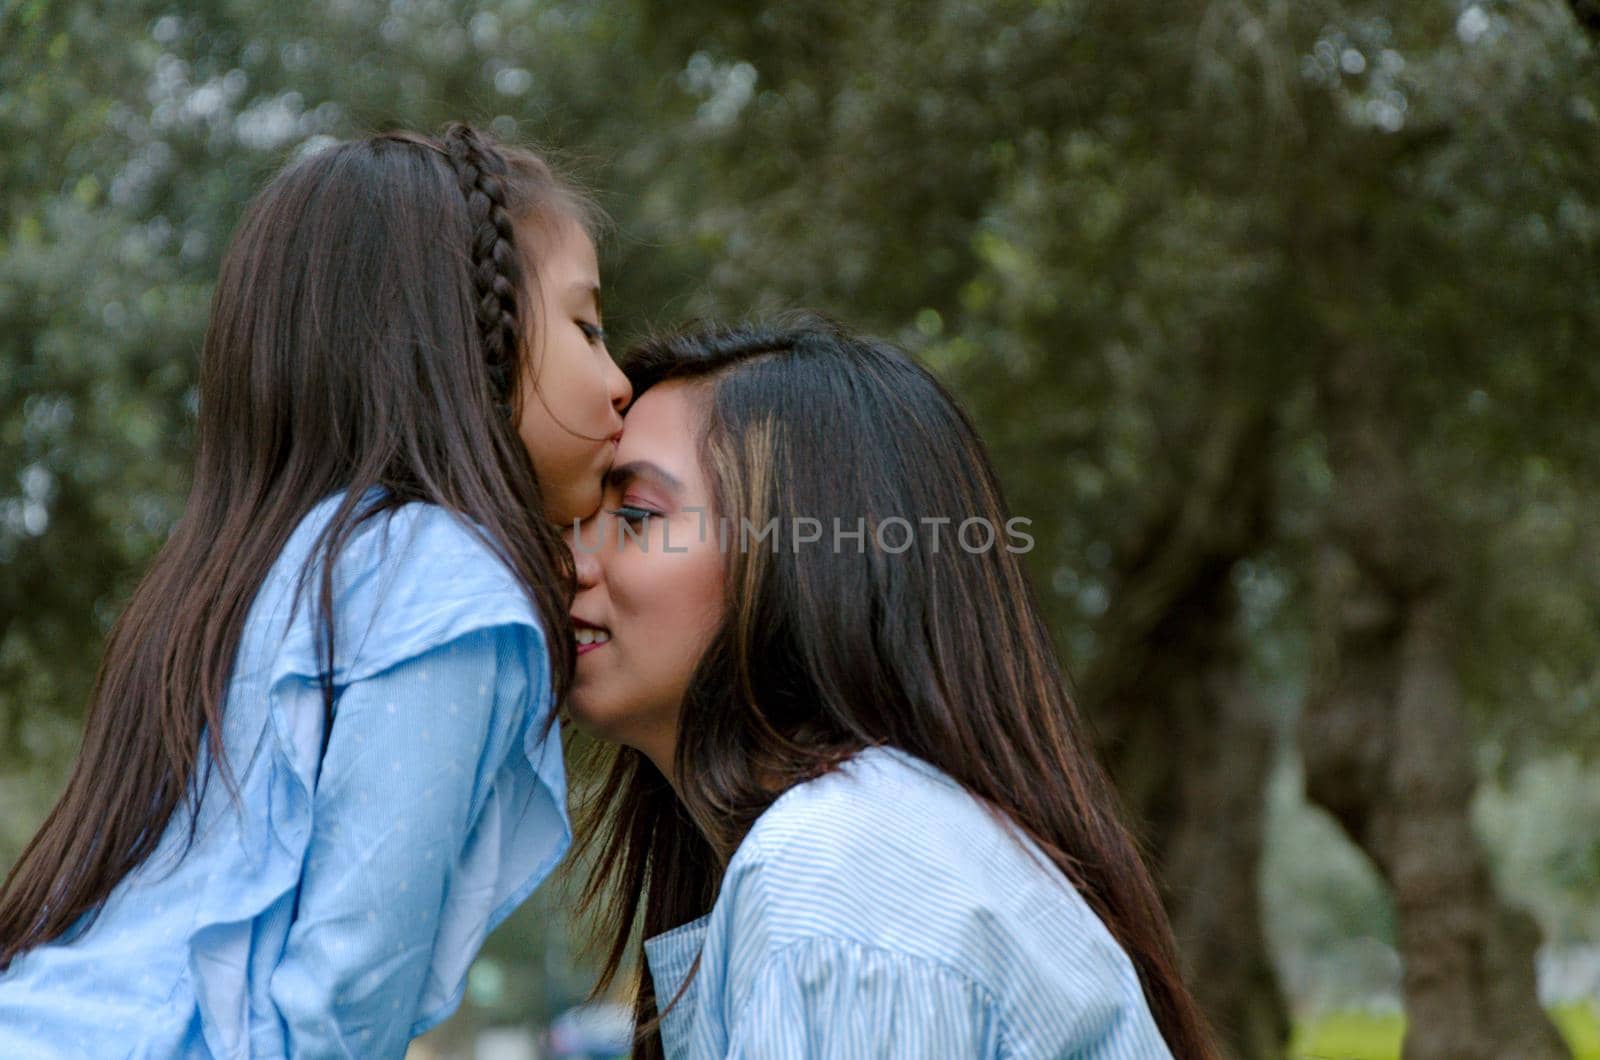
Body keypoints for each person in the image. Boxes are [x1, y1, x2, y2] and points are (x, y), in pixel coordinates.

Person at [0, 123, 631, 1058]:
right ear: (474, 344)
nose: (619, 382)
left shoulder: (250, 573)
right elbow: (347, 996)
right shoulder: (447, 584)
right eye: (586, 327)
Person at [564, 316, 1217, 1059]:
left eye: (637, 515)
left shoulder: (843, 872)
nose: (571, 560)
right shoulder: (866, 849)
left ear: (809, 558)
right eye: (578, 517)